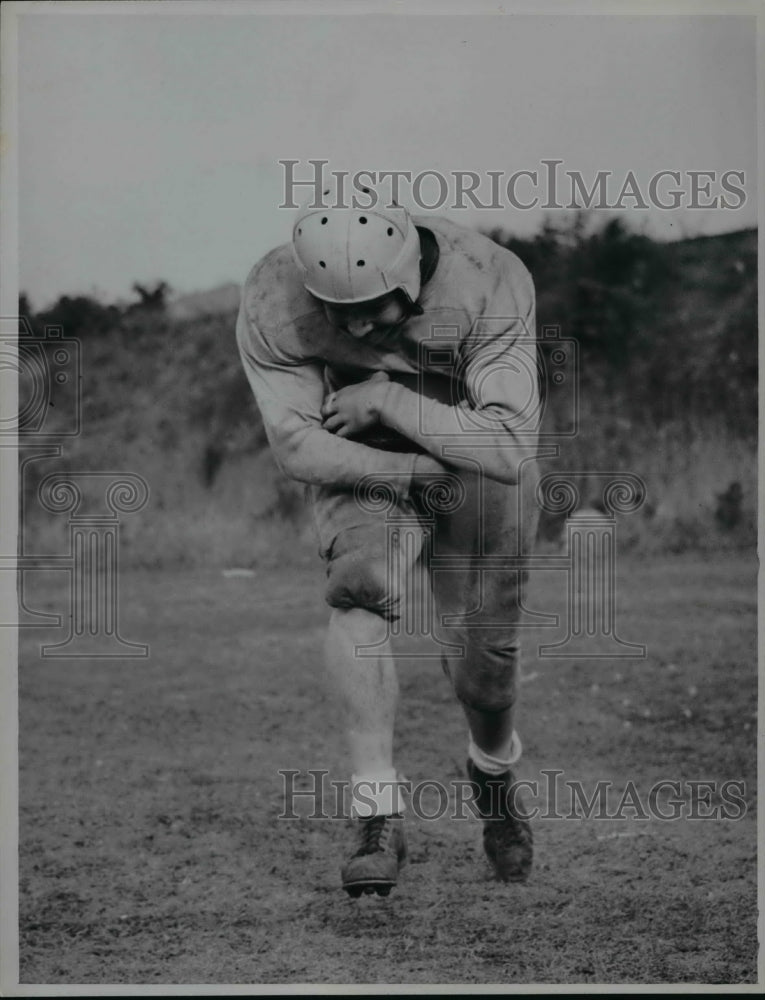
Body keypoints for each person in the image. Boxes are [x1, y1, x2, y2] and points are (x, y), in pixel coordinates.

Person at [236, 190, 541, 897]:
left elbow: (509, 444)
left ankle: (493, 777)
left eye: (373, 304)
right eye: (338, 310)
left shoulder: (487, 276)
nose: (355, 324)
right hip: (362, 450)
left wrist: (388, 398)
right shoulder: (273, 296)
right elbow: (296, 444)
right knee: (360, 590)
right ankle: (377, 813)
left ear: (409, 273)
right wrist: (404, 460)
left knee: (484, 664)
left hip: (471, 442)